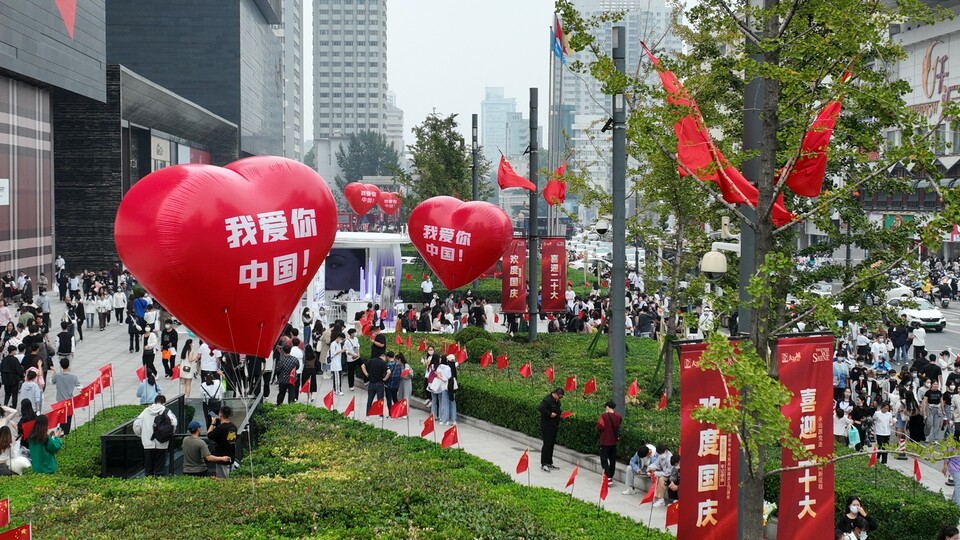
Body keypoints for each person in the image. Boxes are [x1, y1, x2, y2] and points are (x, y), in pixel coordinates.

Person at [132, 394, 177, 476]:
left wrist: (141, 435)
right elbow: (173, 423)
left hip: (148, 443)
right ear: (164, 402)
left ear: (155, 401)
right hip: (162, 443)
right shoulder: (166, 411)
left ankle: (149, 483)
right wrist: (170, 434)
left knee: (148, 469)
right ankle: (158, 483)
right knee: (159, 469)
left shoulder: (146, 411)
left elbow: (136, 424)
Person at [207, 405, 237, 479]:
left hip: (222, 458)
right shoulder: (233, 426)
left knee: (222, 480)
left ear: (220, 414)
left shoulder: (220, 428)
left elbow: (208, 435)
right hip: (231, 457)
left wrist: (213, 423)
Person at [49, 357, 78, 435]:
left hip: (60, 402)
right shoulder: (74, 376)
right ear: (68, 365)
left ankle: (60, 433)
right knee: (68, 418)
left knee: (61, 419)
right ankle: (66, 433)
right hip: (69, 401)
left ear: (61, 366)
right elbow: (80, 387)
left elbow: (51, 382)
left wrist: (54, 372)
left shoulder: (58, 376)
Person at [596, 400, 622, 484]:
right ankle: (611, 476)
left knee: (604, 459)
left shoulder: (604, 416)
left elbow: (599, 427)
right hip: (614, 442)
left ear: (607, 407)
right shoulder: (618, 416)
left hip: (605, 441)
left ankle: (607, 476)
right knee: (612, 459)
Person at [538, 388, 564, 472]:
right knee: (547, 444)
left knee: (551, 444)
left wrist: (561, 414)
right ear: (555, 394)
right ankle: (544, 463)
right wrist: (549, 414)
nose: (559, 399)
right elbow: (541, 408)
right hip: (547, 426)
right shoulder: (547, 400)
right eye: (559, 397)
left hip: (554, 425)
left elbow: (558, 410)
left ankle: (549, 462)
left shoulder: (557, 402)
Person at [361, 350, 390, 417]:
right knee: (380, 400)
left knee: (370, 399)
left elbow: (362, 366)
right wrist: (385, 379)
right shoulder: (383, 363)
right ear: (383, 356)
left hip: (371, 383)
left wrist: (367, 374)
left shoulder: (372, 360)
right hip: (379, 384)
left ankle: (367, 414)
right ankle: (380, 415)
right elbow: (389, 372)